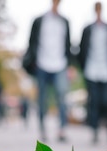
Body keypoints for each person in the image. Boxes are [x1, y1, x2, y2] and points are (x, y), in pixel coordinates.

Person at [23, 0, 72, 143]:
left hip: (60, 64)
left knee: (62, 97)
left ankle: (62, 129)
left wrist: (70, 65)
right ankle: (42, 129)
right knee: (42, 99)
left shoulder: (65, 21)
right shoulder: (39, 20)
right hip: (42, 64)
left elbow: (68, 44)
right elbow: (31, 41)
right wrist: (33, 62)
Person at [78, 1, 107, 144]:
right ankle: (94, 130)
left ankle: (106, 125)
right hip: (91, 70)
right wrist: (83, 67)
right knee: (93, 101)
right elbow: (81, 49)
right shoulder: (88, 29)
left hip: (106, 70)